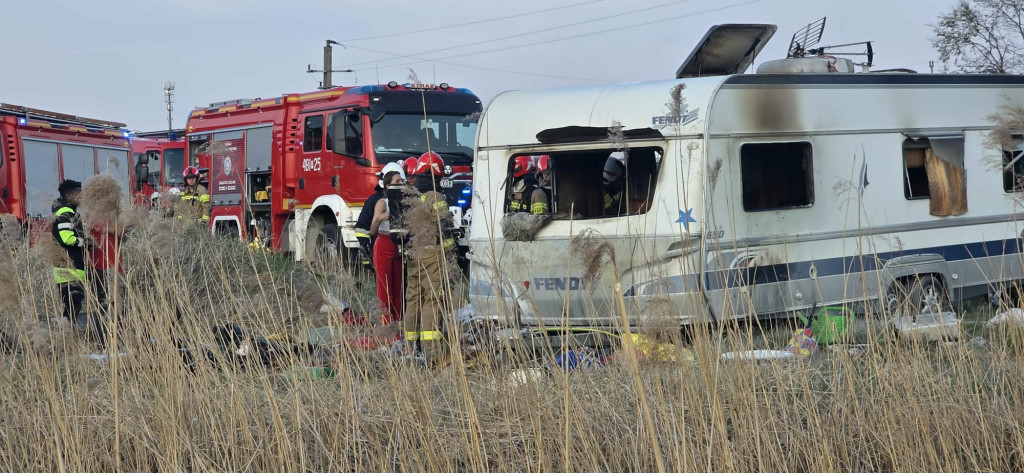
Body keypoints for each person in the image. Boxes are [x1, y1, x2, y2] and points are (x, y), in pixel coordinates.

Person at [401, 151, 456, 362]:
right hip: (433, 255)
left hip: (413, 255)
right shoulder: (436, 196)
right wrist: (450, 251)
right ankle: (431, 347)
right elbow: (443, 227)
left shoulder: (413, 196)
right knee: (432, 299)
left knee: (413, 298)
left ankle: (410, 345)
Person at [354, 162, 406, 271]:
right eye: (397, 181)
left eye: (401, 181)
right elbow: (363, 228)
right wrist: (366, 250)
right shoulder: (375, 201)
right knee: (384, 283)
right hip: (381, 245)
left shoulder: (405, 199)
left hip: (400, 248)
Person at [51, 179, 91, 322]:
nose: (81, 197)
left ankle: (67, 334)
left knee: (72, 306)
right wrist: (86, 242)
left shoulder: (66, 212)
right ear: (69, 195)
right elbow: (66, 239)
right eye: (78, 194)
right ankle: (67, 335)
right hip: (69, 267)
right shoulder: (66, 213)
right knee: (73, 305)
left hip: (68, 267)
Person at [371, 170, 406, 326]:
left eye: (401, 181)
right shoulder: (382, 202)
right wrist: (380, 218)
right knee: (385, 286)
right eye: (397, 181)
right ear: (387, 185)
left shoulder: (404, 202)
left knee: (397, 286)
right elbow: (372, 230)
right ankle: (385, 323)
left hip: (398, 245)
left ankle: (397, 321)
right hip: (384, 243)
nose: (400, 184)